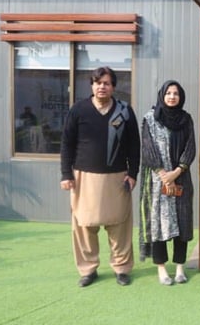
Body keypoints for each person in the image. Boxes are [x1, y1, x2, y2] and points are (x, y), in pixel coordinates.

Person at [59, 66, 140, 287]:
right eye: (97, 82)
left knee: (120, 226)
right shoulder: (78, 110)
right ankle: (88, 269)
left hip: (117, 177)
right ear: (92, 85)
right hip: (84, 177)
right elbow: (67, 144)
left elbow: (134, 145)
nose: (102, 87)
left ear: (113, 87)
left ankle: (122, 268)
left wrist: (133, 173)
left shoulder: (124, 111)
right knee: (84, 226)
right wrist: (67, 174)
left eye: (106, 83)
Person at [139, 80, 196, 286]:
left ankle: (180, 267)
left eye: (176, 93)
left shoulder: (186, 119)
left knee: (182, 223)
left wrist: (177, 171)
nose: (172, 97)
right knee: (158, 225)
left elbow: (190, 148)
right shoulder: (150, 119)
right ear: (162, 95)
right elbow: (147, 148)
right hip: (157, 181)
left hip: (181, 177)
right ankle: (162, 269)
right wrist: (164, 174)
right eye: (169, 93)